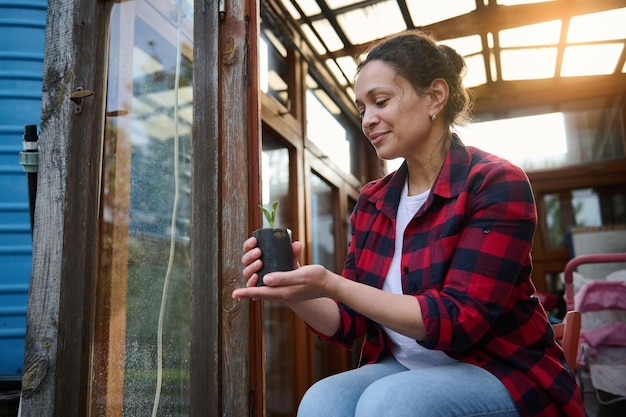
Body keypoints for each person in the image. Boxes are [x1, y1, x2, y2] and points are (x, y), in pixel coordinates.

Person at [233, 29, 585, 417]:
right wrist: (298, 289)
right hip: (405, 366)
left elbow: (458, 320)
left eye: (380, 101)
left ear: (435, 97)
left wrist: (332, 283)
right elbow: (351, 322)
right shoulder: (374, 199)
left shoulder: (494, 182)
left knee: (391, 403)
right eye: (361, 108)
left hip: (501, 369)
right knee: (322, 400)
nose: (368, 120)